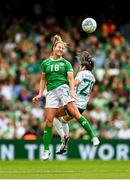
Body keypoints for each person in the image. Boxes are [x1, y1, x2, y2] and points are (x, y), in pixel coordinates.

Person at [32, 35, 100, 160]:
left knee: (75, 114)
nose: (61, 49)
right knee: (49, 120)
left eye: (63, 48)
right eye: (59, 47)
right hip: (52, 92)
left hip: (64, 90)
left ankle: (93, 137)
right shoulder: (45, 63)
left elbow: (70, 79)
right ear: (54, 48)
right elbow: (43, 79)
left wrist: (72, 93)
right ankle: (47, 150)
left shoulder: (66, 63)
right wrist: (40, 93)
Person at [54, 51, 99, 154]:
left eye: (80, 66)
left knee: (53, 116)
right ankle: (64, 145)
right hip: (83, 105)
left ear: (83, 67)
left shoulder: (81, 73)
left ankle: (64, 137)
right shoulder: (92, 77)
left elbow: (75, 83)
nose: (79, 68)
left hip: (74, 102)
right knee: (64, 121)